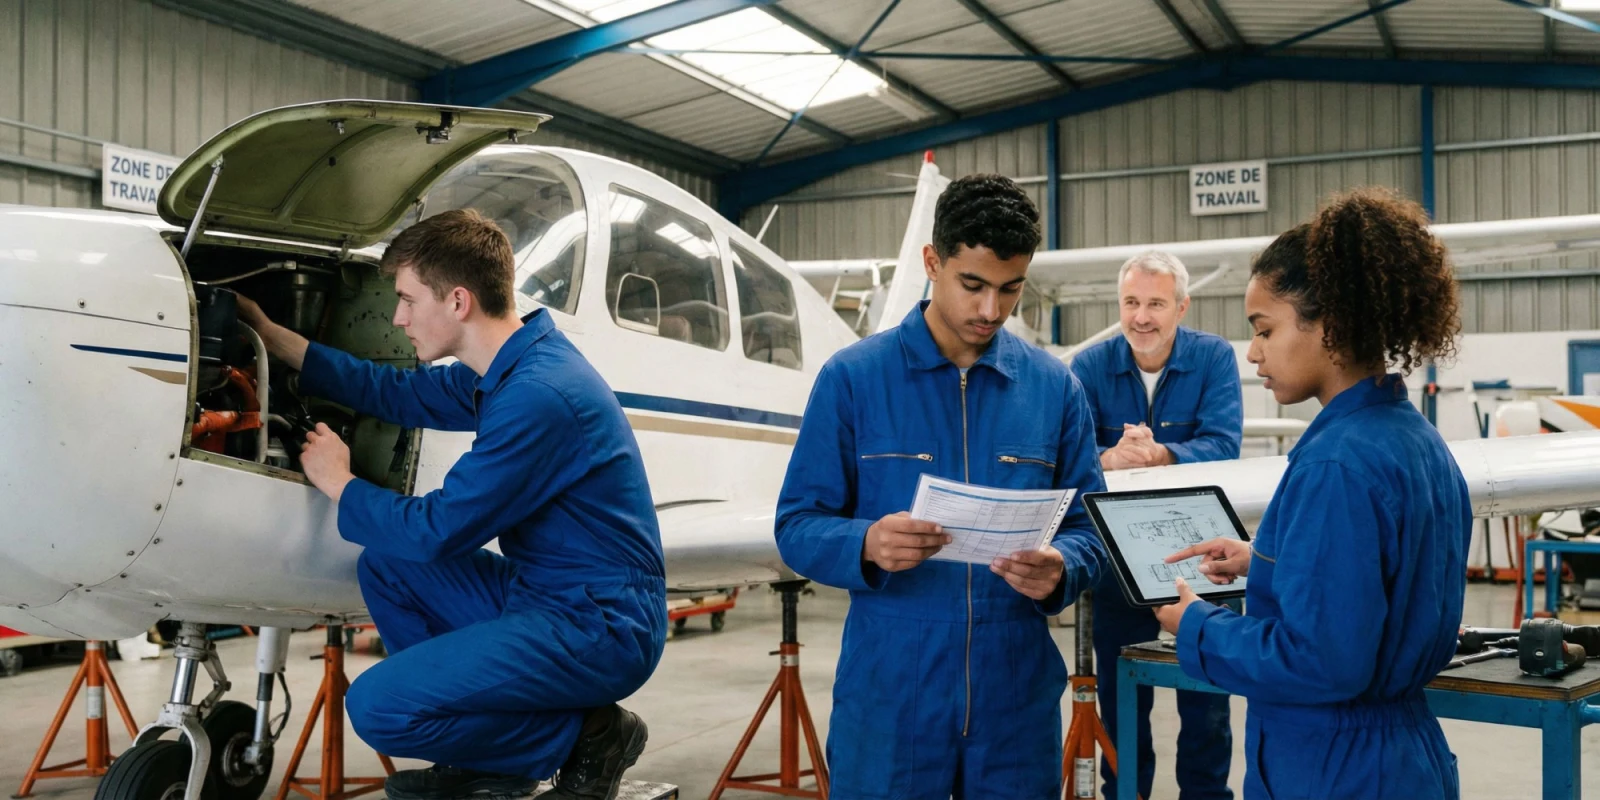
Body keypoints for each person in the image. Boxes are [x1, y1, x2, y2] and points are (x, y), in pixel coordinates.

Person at [238, 209, 666, 800]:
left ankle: (590, 735)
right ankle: (488, 755)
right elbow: (393, 390)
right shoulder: (507, 367)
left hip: (600, 624)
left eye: (409, 300)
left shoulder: (538, 396)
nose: (397, 317)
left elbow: (438, 530)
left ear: (458, 302)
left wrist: (339, 481)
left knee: (379, 708)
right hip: (543, 594)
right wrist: (269, 335)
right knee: (388, 567)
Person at [775, 174, 1108, 799]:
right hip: (891, 690)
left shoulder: (1053, 388)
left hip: (1014, 689)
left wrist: (1064, 566)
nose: (990, 310)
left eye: (1010, 289)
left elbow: (1090, 526)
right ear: (933, 262)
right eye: (973, 285)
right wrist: (866, 544)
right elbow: (796, 524)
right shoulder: (854, 379)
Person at [1155, 188, 1469, 799]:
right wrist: (1268, 561)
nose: (1253, 352)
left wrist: (1195, 624)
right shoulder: (1416, 440)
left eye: (1265, 329)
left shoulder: (1336, 464)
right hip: (1401, 757)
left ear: (1331, 325)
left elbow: (1321, 660)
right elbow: (1383, 578)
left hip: (1333, 766)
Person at [1069, 251, 1242, 800]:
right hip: (1119, 559)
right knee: (1123, 697)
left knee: (1207, 696)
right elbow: (1068, 455)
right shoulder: (1088, 368)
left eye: (1156, 304)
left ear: (1182, 306)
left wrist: (1162, 454)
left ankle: (1206, 795)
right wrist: (1109, 460)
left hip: (1203, 556)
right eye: (1131, 303)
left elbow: (1224, 444)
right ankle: (1127, 794)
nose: (1141, 317)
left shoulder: (1214, 358)